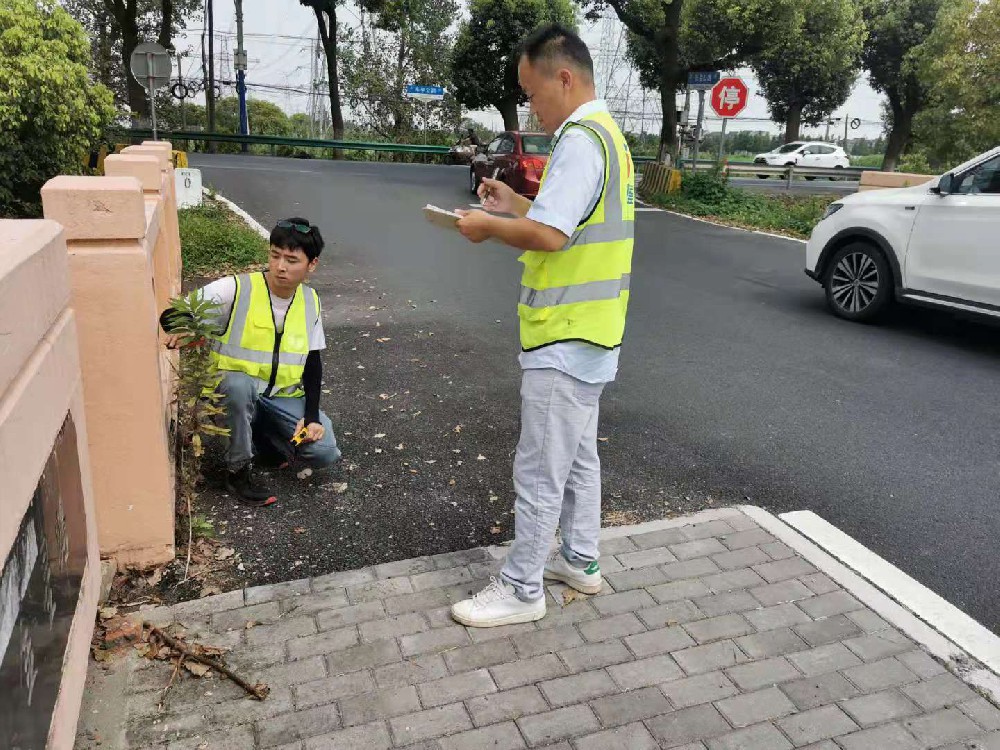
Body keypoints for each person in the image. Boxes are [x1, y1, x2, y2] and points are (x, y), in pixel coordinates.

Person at [449, 24, 635, 627]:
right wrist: (513, 207)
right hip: (594, 330)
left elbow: (552, 237)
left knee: (539, 465)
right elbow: (563, 224)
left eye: (532, 93)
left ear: (563, 77)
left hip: (564, 332)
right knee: (578, 457)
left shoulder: (580, 138)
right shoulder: (609, 136)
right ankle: (580, 560)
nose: (531, 107)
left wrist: (485, 225)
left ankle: (522, 586)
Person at [162, 218, 340, 507]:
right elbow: (174, 315)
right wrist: (190, 329)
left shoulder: (310, 300)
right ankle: (238, 470)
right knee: (237, 386)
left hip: (283, 397)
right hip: (234, 392)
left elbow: (313, 361)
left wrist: (311, 417)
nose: (280, 266)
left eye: (292, 259)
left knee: (323, 452)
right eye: (275, 255)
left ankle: (266, 442)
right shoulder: (236, 289)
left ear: (312, 264)